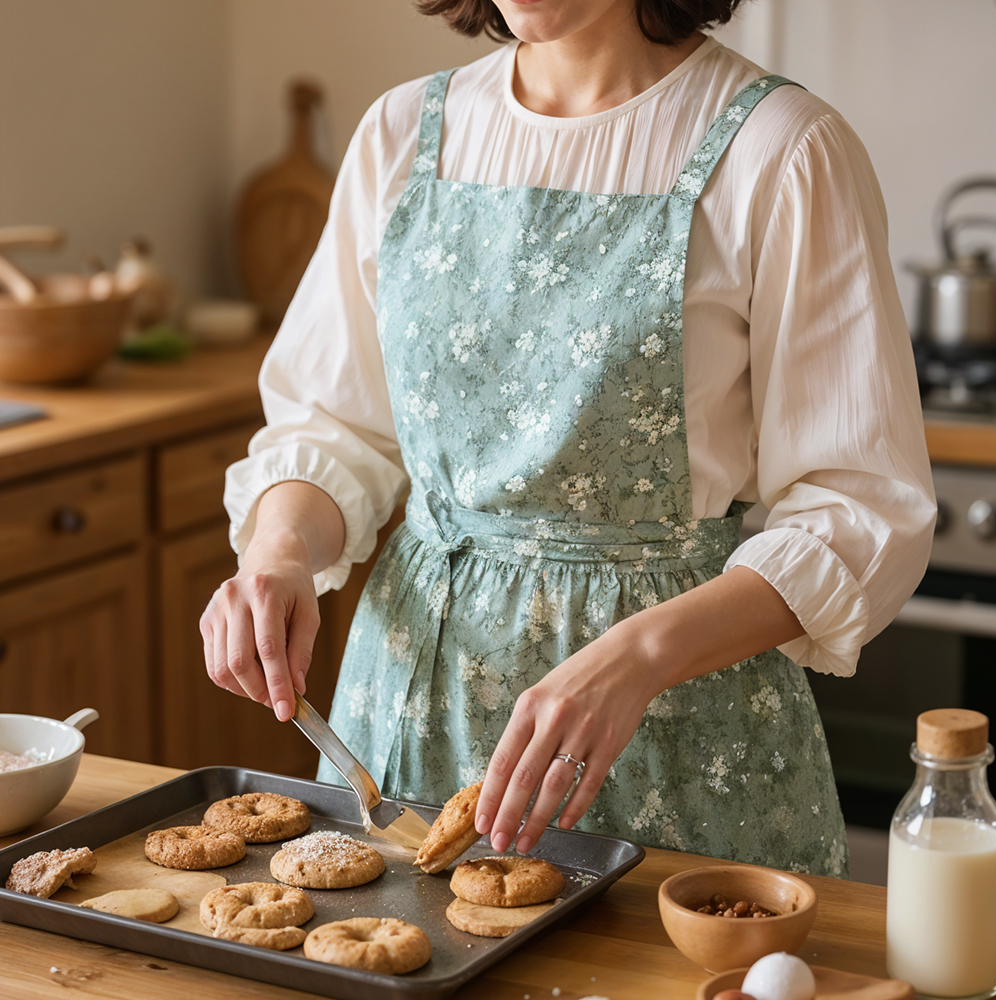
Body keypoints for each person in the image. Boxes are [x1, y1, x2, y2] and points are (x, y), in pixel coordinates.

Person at [202, 0, 936, 877]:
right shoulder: (403, 132)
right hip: (405, 719)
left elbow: (859, 506)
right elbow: (335, 426)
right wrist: (280, 553)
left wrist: (637, 656)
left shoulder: (781, 148)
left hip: (677, 732)